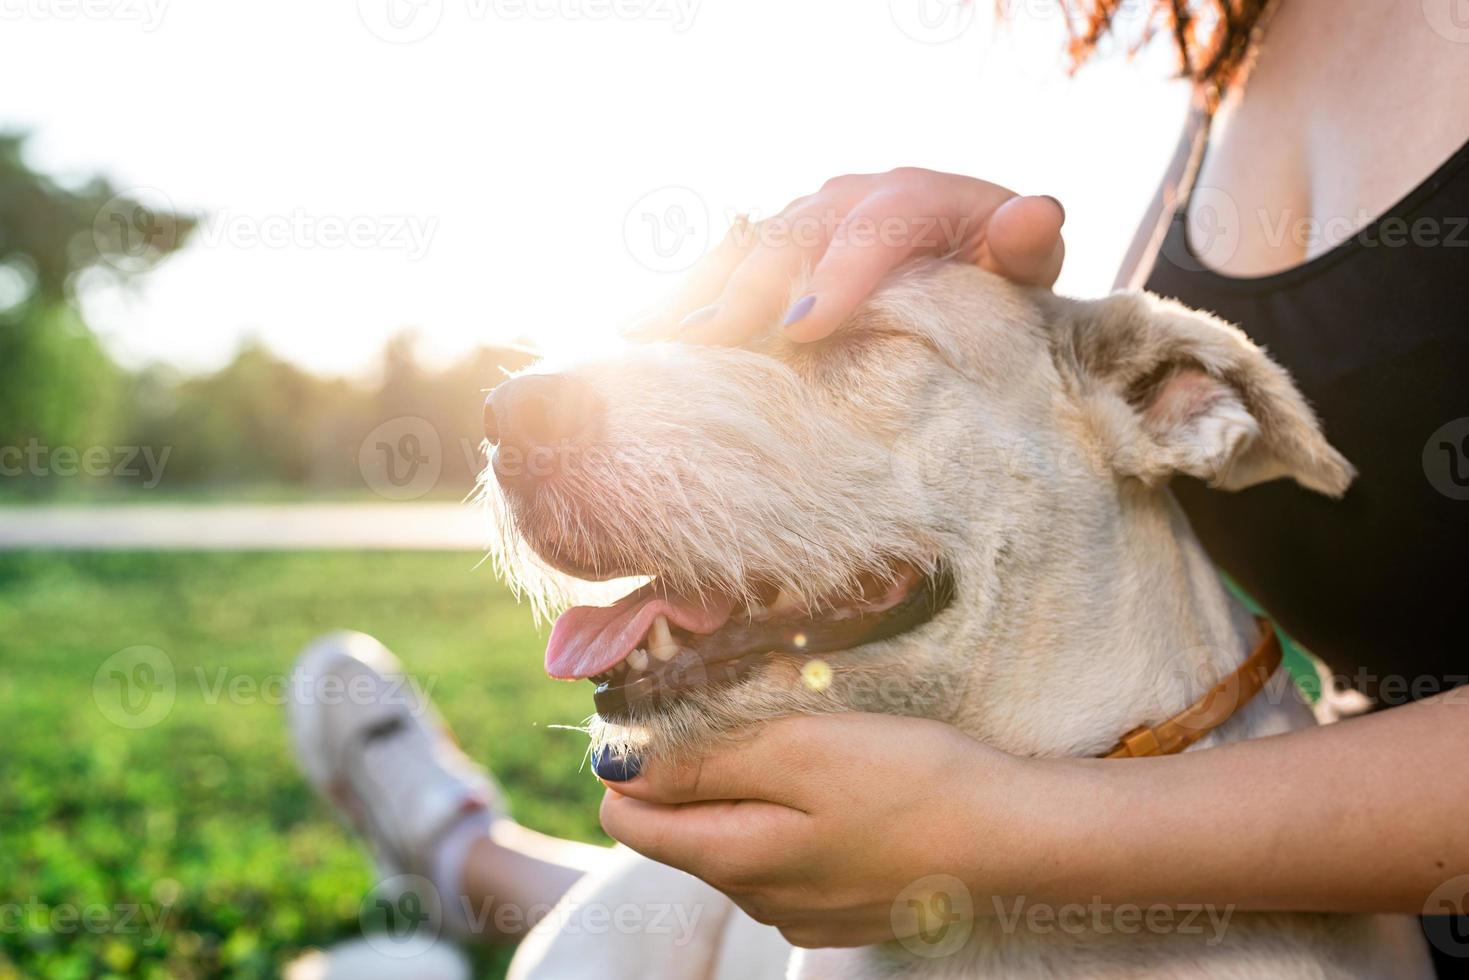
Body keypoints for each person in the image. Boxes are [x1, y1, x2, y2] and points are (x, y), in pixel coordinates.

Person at [288, 0, 1469, 971]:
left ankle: (462, 853)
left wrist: (1005, 830)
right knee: (665, 909)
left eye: (858, 350)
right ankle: (475, 857)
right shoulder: (1232, 47)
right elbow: (1043, 401)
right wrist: (982, 258)